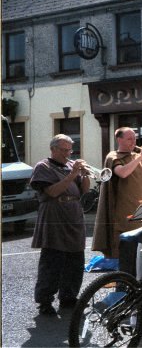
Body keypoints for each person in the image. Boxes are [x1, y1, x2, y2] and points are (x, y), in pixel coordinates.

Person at [30, 134, 90, 315]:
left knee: (76, 259)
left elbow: (84, 190)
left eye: (69, 150)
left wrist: (85, 175)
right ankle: (45, 301)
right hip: (54, 215)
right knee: (52, 260)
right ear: (53, 149)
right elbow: (52, 191)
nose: (67, 154)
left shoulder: (71, 165)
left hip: (74, 215)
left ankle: (69, 297)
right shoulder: (43, 167)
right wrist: (72, 175)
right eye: (64, 150)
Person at [92, 127, 142, 258]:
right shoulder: (113, 156)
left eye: (134, 138)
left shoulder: (137, 157)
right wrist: (141, 156)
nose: (133, 141)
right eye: (129, 139)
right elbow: (123, 173)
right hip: (125, 209)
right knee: (128, 247)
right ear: (119, 139)